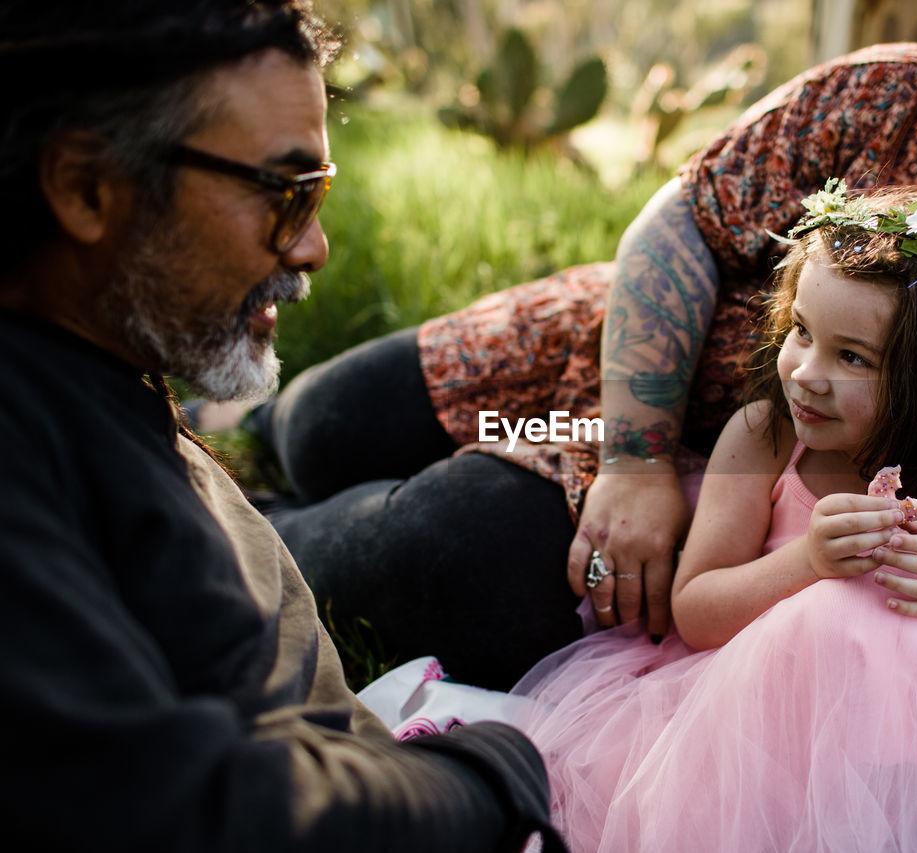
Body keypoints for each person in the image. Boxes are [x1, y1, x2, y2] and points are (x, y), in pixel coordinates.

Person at [260, 0, 917, 691]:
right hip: (630, 396)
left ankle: (241, 532)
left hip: (762, 551)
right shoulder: (909, 99)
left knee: (456, 552)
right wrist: (633, 455)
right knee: (322, 422)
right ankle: (280, 443)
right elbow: (685, 220)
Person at [0, 2, 565, 850]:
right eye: (286, 191)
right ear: (86, 186)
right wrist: (489, 775)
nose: (314, 248)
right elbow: (182, 806)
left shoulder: (96, 366)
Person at [504, 185, 917, 851]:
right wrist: (806, 563)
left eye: (851, 357)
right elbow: (697, 611)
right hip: (762, 734)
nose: (804, 373)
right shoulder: (765, 438)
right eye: (801, 331)